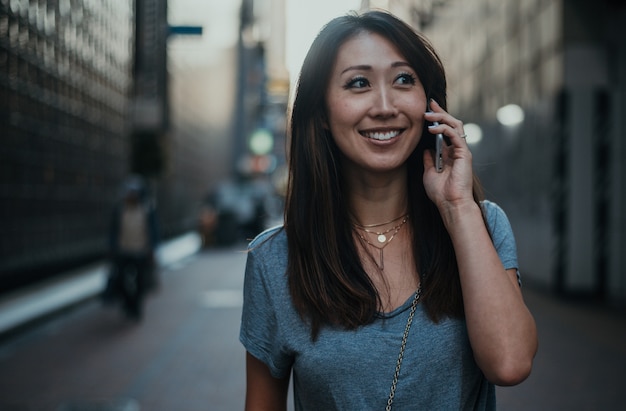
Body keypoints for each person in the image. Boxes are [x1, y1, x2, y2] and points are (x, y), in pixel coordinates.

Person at [239, 10, 537, 410]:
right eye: (358, 83)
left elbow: (510, 363)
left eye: (403, 80)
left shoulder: (481, 224)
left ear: (429, 105)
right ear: (322, 113)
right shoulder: (275, 259)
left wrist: (457, 207)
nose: (384, 106)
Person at [106, 176, 159, 320]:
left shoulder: (147, 209)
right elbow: (113, 230)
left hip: (141, 251)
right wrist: (112, 248)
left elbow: (154, 231)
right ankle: (128, 304)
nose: (130, 195)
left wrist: (153, 249)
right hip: (123, 251)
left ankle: (136, 307)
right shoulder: (120, 209)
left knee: (141, 282)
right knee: (121, 280)